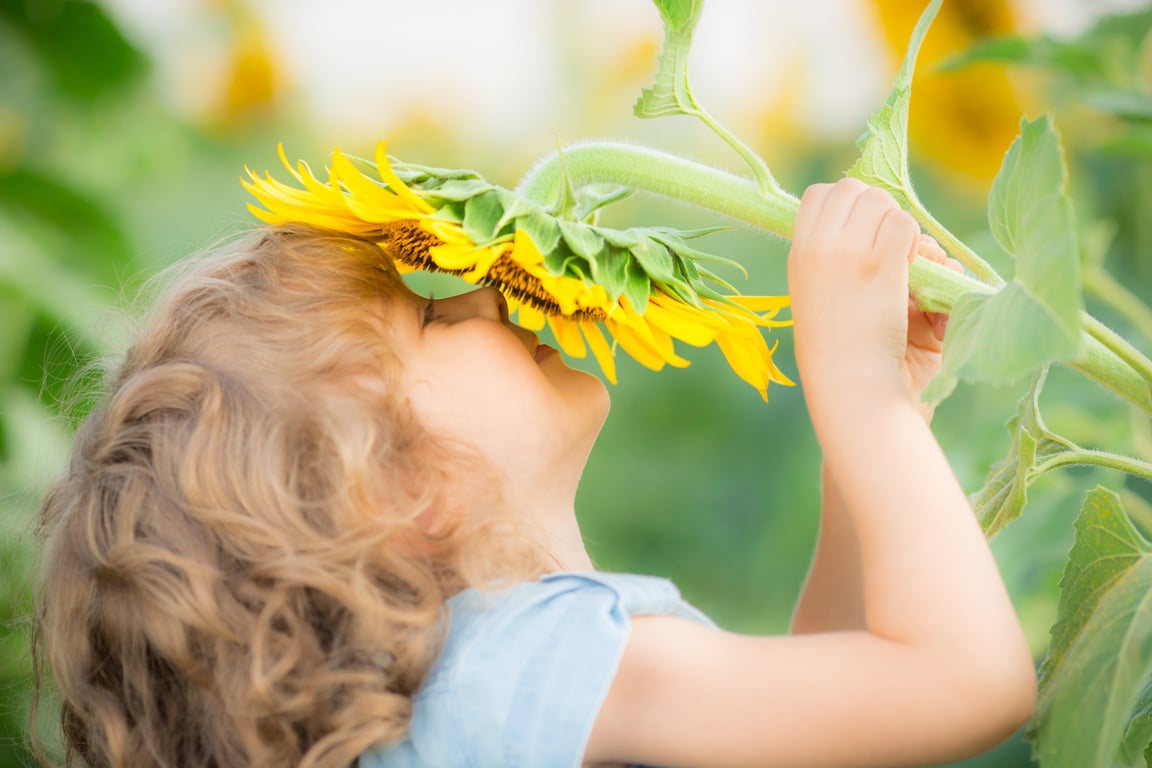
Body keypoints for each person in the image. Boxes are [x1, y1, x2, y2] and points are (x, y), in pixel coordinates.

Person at [33, 177, 1036, 768]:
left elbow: (836, 717)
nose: (482, 296)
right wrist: (856, 389)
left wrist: (877, 418)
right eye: (428, 314)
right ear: (396, 492)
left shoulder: (472, 699)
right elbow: (964, 682)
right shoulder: (518, 669)